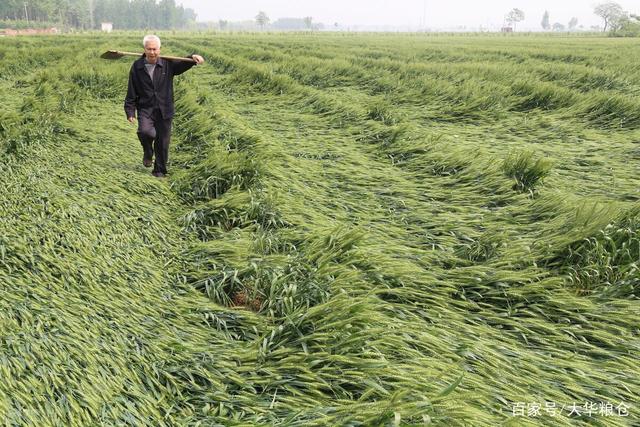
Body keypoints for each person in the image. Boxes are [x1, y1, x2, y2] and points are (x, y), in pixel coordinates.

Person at [124, 34, 205, 178]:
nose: (152, 52)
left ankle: (159, 171)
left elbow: (183, 64)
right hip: (146, 108)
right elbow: (132, 89)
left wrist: (193, 57)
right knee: (145, 132)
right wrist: (130, 111)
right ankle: (148, 152)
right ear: (144, 49)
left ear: (160, 49)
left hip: (164, 108)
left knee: (163, 142)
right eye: (149, 49)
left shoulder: (168, 64)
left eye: (155, 49)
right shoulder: (137, 67)